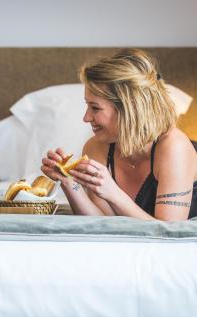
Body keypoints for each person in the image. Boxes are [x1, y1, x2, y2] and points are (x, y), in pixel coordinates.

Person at [42, 48, 197, 221]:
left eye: (95, 108)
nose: (86, 118)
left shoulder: (174, 148)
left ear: (129, 109)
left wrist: (113, 193)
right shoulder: (96, 146)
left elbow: (169, 233)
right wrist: (69, 183)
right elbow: (103, 222)